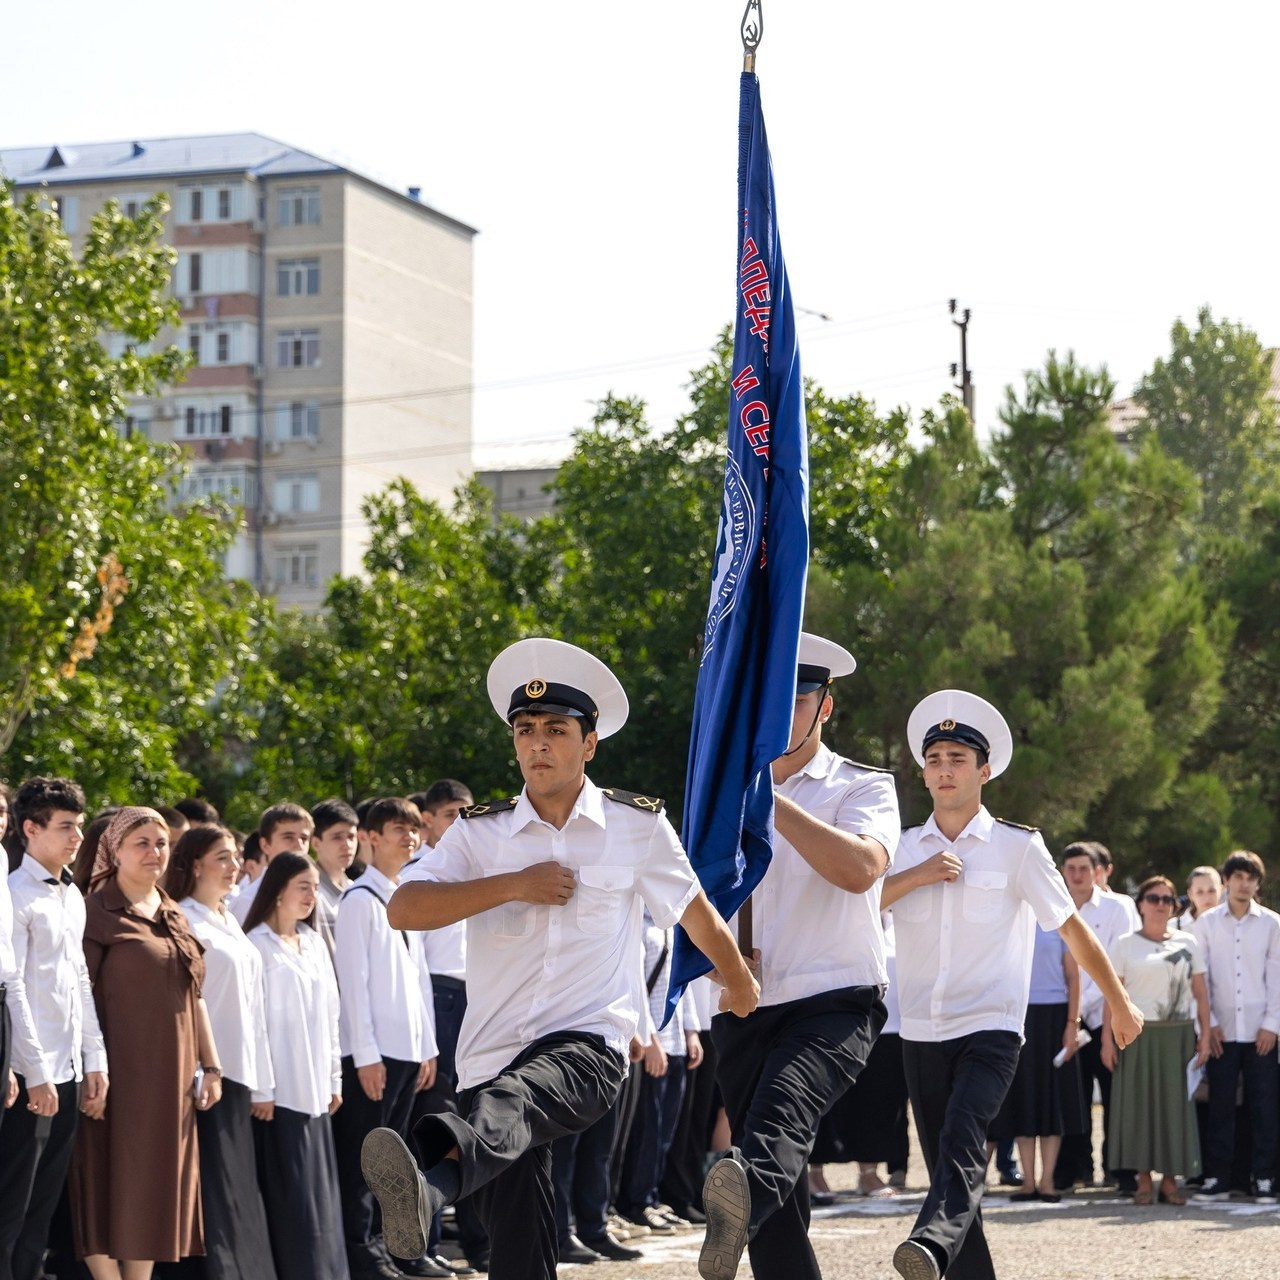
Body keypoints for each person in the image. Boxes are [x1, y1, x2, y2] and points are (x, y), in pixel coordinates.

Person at [361, 637, 759, 1280]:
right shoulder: (480, 831)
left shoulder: (636, 826)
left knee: (516, 1101)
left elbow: (694, 911)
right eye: (525, 730)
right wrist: (513, 884)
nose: (537, 743)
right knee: (520, 1241)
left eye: (555, 729)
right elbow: (403, 907)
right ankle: (429, 1190)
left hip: (587, 1045)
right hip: (491, 1052)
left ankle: (431, 1172)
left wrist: (739, 982)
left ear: (590, 743)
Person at [883, 690, 1143, 1280]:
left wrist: (1120, 1002)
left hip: (992, 1028)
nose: (944, 769)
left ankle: (927, 1240)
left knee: (961, 1137)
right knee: (954, 1163)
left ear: (985, 770)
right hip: (921, 1030)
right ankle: (960, 1263)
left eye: (957, 758)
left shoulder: (1018, 847)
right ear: (923, 773)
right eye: (935, 759)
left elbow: (1071, 928)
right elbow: (859, 910)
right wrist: (917, 876)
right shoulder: (900, 848)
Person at [701, 633, 899, 1280]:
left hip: (834, 999)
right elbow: (695, 891)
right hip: (744, 1000)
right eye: (771, 699)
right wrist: (718, 960)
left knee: (775, 1125)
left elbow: (860, 869)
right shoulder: (715, 795)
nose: (783, 711)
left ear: (826, 707)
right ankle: (749, 1205)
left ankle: (742, 1195)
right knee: (777, 1221)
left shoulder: (862, 787)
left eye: (799, 697)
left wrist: (765, 800)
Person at [72, 806, 223, 1280]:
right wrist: (92, 1072)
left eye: (161, 843)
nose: (155, 852)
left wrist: (211, 1067)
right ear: (113, 850)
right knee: (103, 1181)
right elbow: (78, 1000)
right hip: (116, 1076)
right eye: (141, 843)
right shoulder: (93, 912)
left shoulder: (173, 911)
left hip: (171, 1081)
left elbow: (194, 996)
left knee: (155, 1185)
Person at [0, 778, 108, 1280]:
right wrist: (37, 1072)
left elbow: (79, 979)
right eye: (65, 827)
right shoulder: (14, 896)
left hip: (66, 1071)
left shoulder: (72, 896)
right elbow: (12, 989)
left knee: (43, 1205)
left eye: (80, 826)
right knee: (11, 1205)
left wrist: (95, 1059)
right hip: (30, 1074)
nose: (77, 837)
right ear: (30, 828)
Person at [332, 797, 439, 1280]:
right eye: (399, 829)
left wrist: (428, 1048)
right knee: (365, 1158)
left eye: (415, 830)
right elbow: (352, 985)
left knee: (395, 1161)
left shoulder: (402, 895)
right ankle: (362, 1250)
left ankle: (394, 1249)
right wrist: (366, 1055)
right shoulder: (358, 900)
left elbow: (419, 982)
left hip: (407, 1050)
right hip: (374, 1055)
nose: (410, 838)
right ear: (371, 838)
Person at [169, 825, 278, 1280]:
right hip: (205, 1075)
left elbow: (254, 1006)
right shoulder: (183, 918)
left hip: (240, 1070)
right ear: (195, 863)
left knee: (237, 1185)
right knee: (212, 1188)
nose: (235, 866)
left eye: (236, 857)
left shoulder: (228, 917)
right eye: (222, 858)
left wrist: (264, 1081)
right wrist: (202, 1066)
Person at [245, 853, 349, 1280]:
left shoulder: (312, 943)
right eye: (303, 886)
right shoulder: (256, 944)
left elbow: (330, 1016)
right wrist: (262, 1090)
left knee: (321, 1198)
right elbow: (253, 1024)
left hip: (315, 1093)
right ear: (278, 889)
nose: (311, 896)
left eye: (314, 887)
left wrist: (333, 1078)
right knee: (293, 1200)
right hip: (279, 1094)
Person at [401, 779, 490, 1274]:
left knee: (479, 1118)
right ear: (429, 821)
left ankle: (481, 1243)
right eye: (452, 813)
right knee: (433, 1121)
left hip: (478, 996)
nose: (462, 820)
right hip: (437, 999)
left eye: (467, 811)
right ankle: (424, 1243)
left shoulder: (481, 868)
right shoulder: (416, 876)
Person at [1104, 875, 1210, 1204]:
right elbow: (1113, 995)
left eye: (1167, 899)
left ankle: (1169, 1180)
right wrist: (1107, 1041)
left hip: (1178, 1035)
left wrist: (1204, 1036)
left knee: (1174, 1107)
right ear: (1141, 904)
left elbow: (1201, 994)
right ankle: (1143, 1180)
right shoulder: (1124, 943)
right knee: (1140, 1107)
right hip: (1136, 1034)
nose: (1161, 905)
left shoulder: (1188, 942)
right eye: (1154, 898)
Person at [1191, 851, 1280, 1204]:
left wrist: (1272, 1025)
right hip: (1222, 1032)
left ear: (1258, 883)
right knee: (1221, 1107)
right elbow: (1202, 978)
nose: (1245, 884)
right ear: (1225, 880)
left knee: (1264, 1106)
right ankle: (1218, 1177)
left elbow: (1276, 979)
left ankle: (1264, 1178)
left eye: (1251, 877)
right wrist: (1209, 1024)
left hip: (1262, 1031)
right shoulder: (1207, 923)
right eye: (1238, 876)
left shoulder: (1272, 924)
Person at [1053, 841, 1136, 1193]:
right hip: (1067, 1015)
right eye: (1070, 869)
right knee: (1075, 1099)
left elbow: (1123, 965)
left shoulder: (1119, 907)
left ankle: (1119, 1170)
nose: (1077, 875)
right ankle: (1077, 1170)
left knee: (1117, 1097)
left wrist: (1109, 1020)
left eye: (1084, 868)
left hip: (1108, 1015)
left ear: (1097, 871)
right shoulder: (1053, 907)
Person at [988, 924, 1087, 1202]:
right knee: (1023, 1098)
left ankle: (1047, 1183)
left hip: (1056, 1017)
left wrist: (1072, 1024)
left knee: (1052, 1101)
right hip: (1018, 1015)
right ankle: (1028, 1182)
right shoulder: (1010, 919)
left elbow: (1073, 976)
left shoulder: (1059, 923)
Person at [229, 804, 314, 926]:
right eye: (288, 837)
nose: (299, 845)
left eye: (304, 838)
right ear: (265, 845)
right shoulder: (248, 901)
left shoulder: (314, 895)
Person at [310, 799, 359, 957]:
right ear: (316, 843)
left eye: (351, 837)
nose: (347, 844)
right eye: (337, 837)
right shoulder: (309, 892)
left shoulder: (356, 889)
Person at [1173, 866, 1223, 931]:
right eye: (1200, 892)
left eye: (1211, 891)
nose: (1206, 897)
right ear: (1190, 894)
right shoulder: (1174, 927)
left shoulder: (1233, 924)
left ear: (1221, 890)